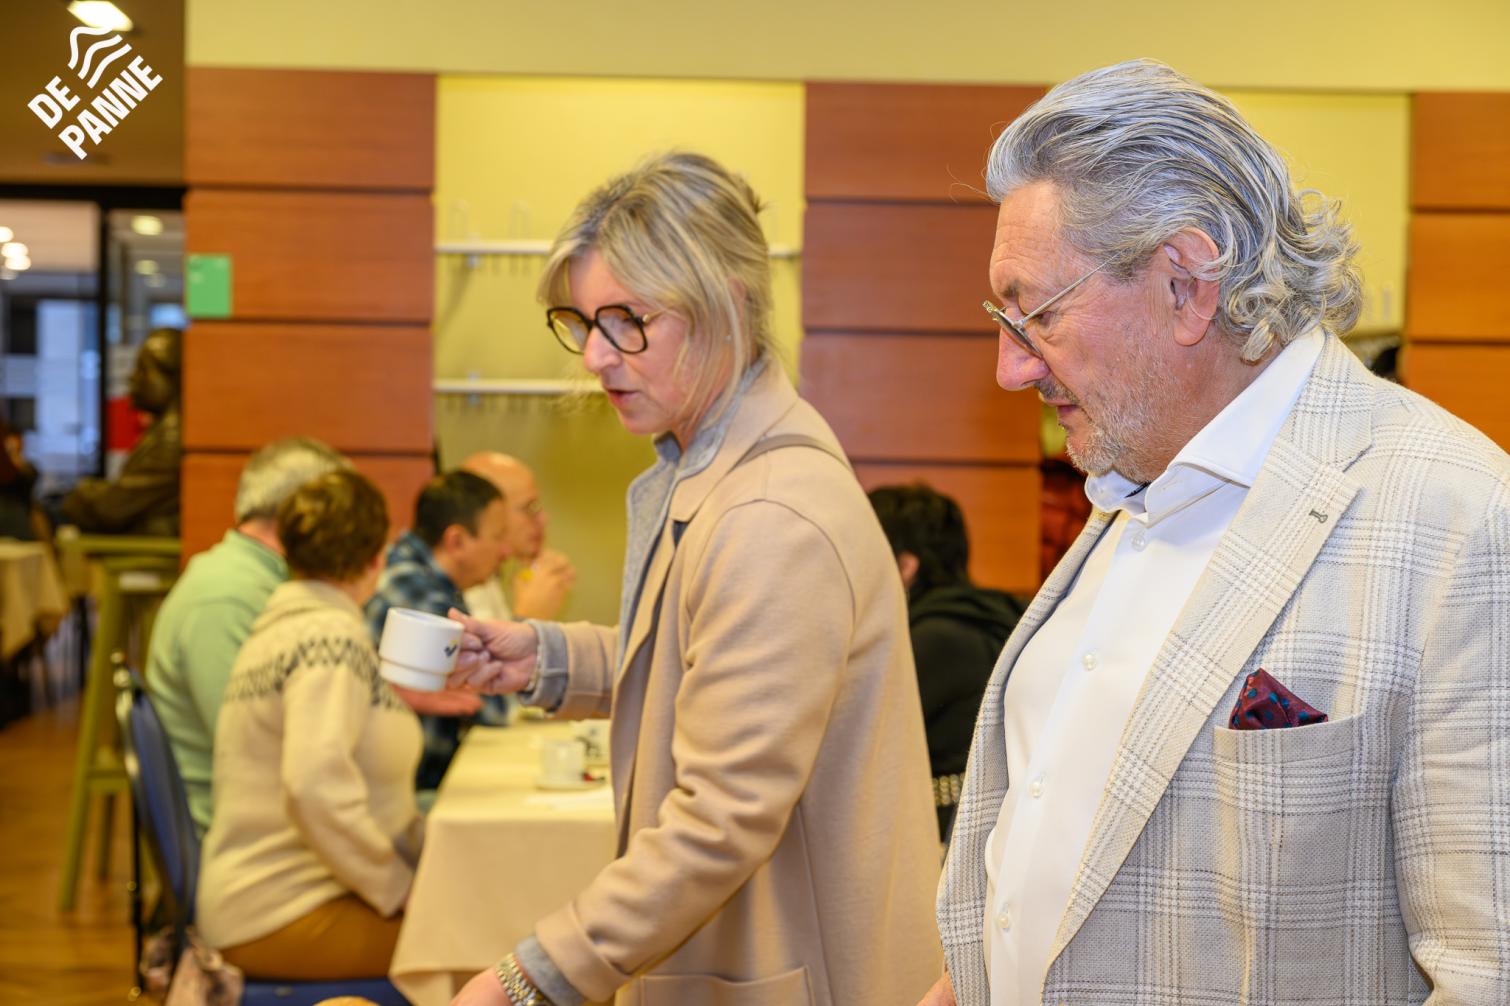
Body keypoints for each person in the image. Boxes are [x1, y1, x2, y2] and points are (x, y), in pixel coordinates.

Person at [924, 60, 1510, 1006]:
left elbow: (1489, 971)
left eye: (1037, 315)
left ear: (1187, 284)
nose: (1011, 369)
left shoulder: (1458, 518)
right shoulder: (1134, 479)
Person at [447, 152, 942, 1006]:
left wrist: (529, 979)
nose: (596, 356)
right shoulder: (717, 471)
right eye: (583, 322)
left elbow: (721, 818)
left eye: (629, 321)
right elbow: (702, 667)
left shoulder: (769, 514)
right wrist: (547, 659)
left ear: (731, 306)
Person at [197, 469, 424, 980]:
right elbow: (313, 785)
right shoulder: (330, 638)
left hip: (265, 901)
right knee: (490, 955)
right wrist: (397, 887)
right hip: (282, 909)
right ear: (377, 558)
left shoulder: (281, 630)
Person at [147, 436, 349, 834]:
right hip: (247, 836)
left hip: (276, 815)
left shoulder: (260, 582)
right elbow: (255, 748)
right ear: (302, 516)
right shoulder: (226, 597)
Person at [868, 484, 1024, 842]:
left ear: (905, 567)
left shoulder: (931, 639)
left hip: (938, 834)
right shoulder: (985, 618)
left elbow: (863, 745)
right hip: (986, 828)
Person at [365, 469, 512, 790]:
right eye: (498, 537)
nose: (506, 552)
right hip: (410, 791)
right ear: (456, 541)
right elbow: (494, 707)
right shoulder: (416, 593)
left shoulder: (427, 578)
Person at [60, 326, 181, 535]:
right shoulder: (162, 431)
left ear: (170, 377)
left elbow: (110, 508)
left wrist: (81, 494)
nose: (132, 378)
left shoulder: (172, 438)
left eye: (143, 369)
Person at [460, 452, 576, 621]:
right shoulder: (462, 585)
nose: (543, 519)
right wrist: (530, 617)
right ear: (491, 511)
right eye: (529, 508)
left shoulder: (489, 578)